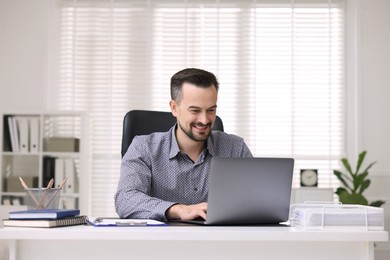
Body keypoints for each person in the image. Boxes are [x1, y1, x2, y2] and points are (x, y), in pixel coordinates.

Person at [115, 68, 253, 222]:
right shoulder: (144, 148)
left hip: (220, 242)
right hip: (161, 242)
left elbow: (256, 200)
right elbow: (125, 199)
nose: (204, 120)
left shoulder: (235, 148)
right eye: (195, 110)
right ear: (174, 108)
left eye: (211, 110)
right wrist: (179, 210)